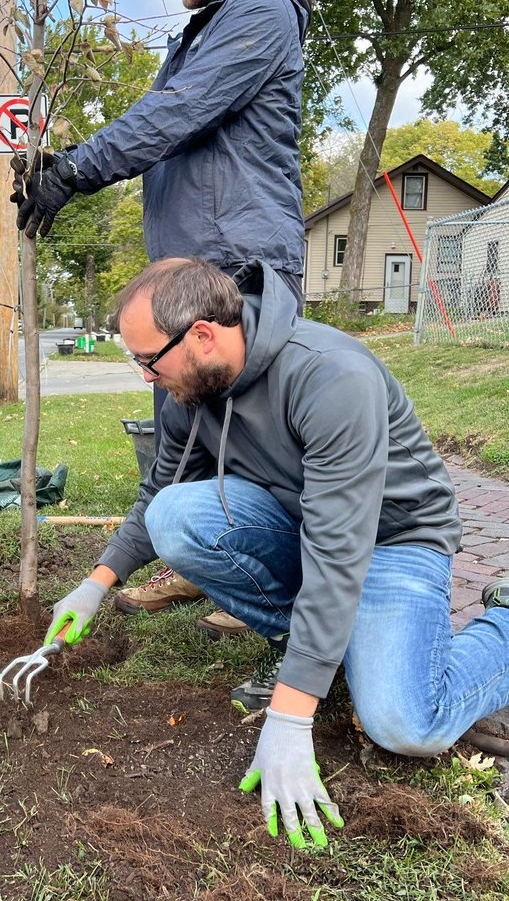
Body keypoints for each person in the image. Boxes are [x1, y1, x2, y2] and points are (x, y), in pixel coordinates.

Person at [48, 257, 509, 848]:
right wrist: (96, 583)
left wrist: (291, 719)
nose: (144, 376)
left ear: (203, 335)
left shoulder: (331, 375)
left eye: (147, 359)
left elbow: (338, 554)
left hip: (394, 541)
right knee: (176, 516)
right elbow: (156, 495)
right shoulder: (185, 384)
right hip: (296, 521)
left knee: (404, 724)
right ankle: (318, 647)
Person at [11, 0, 311, 623]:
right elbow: (161, 116)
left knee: (259, 442)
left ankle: (292, 597)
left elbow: (173, 116)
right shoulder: (204, 31)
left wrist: (74, 171)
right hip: (187, 274)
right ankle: (198, 561)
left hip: (237, 271)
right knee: (182, 440)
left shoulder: (262, 13)